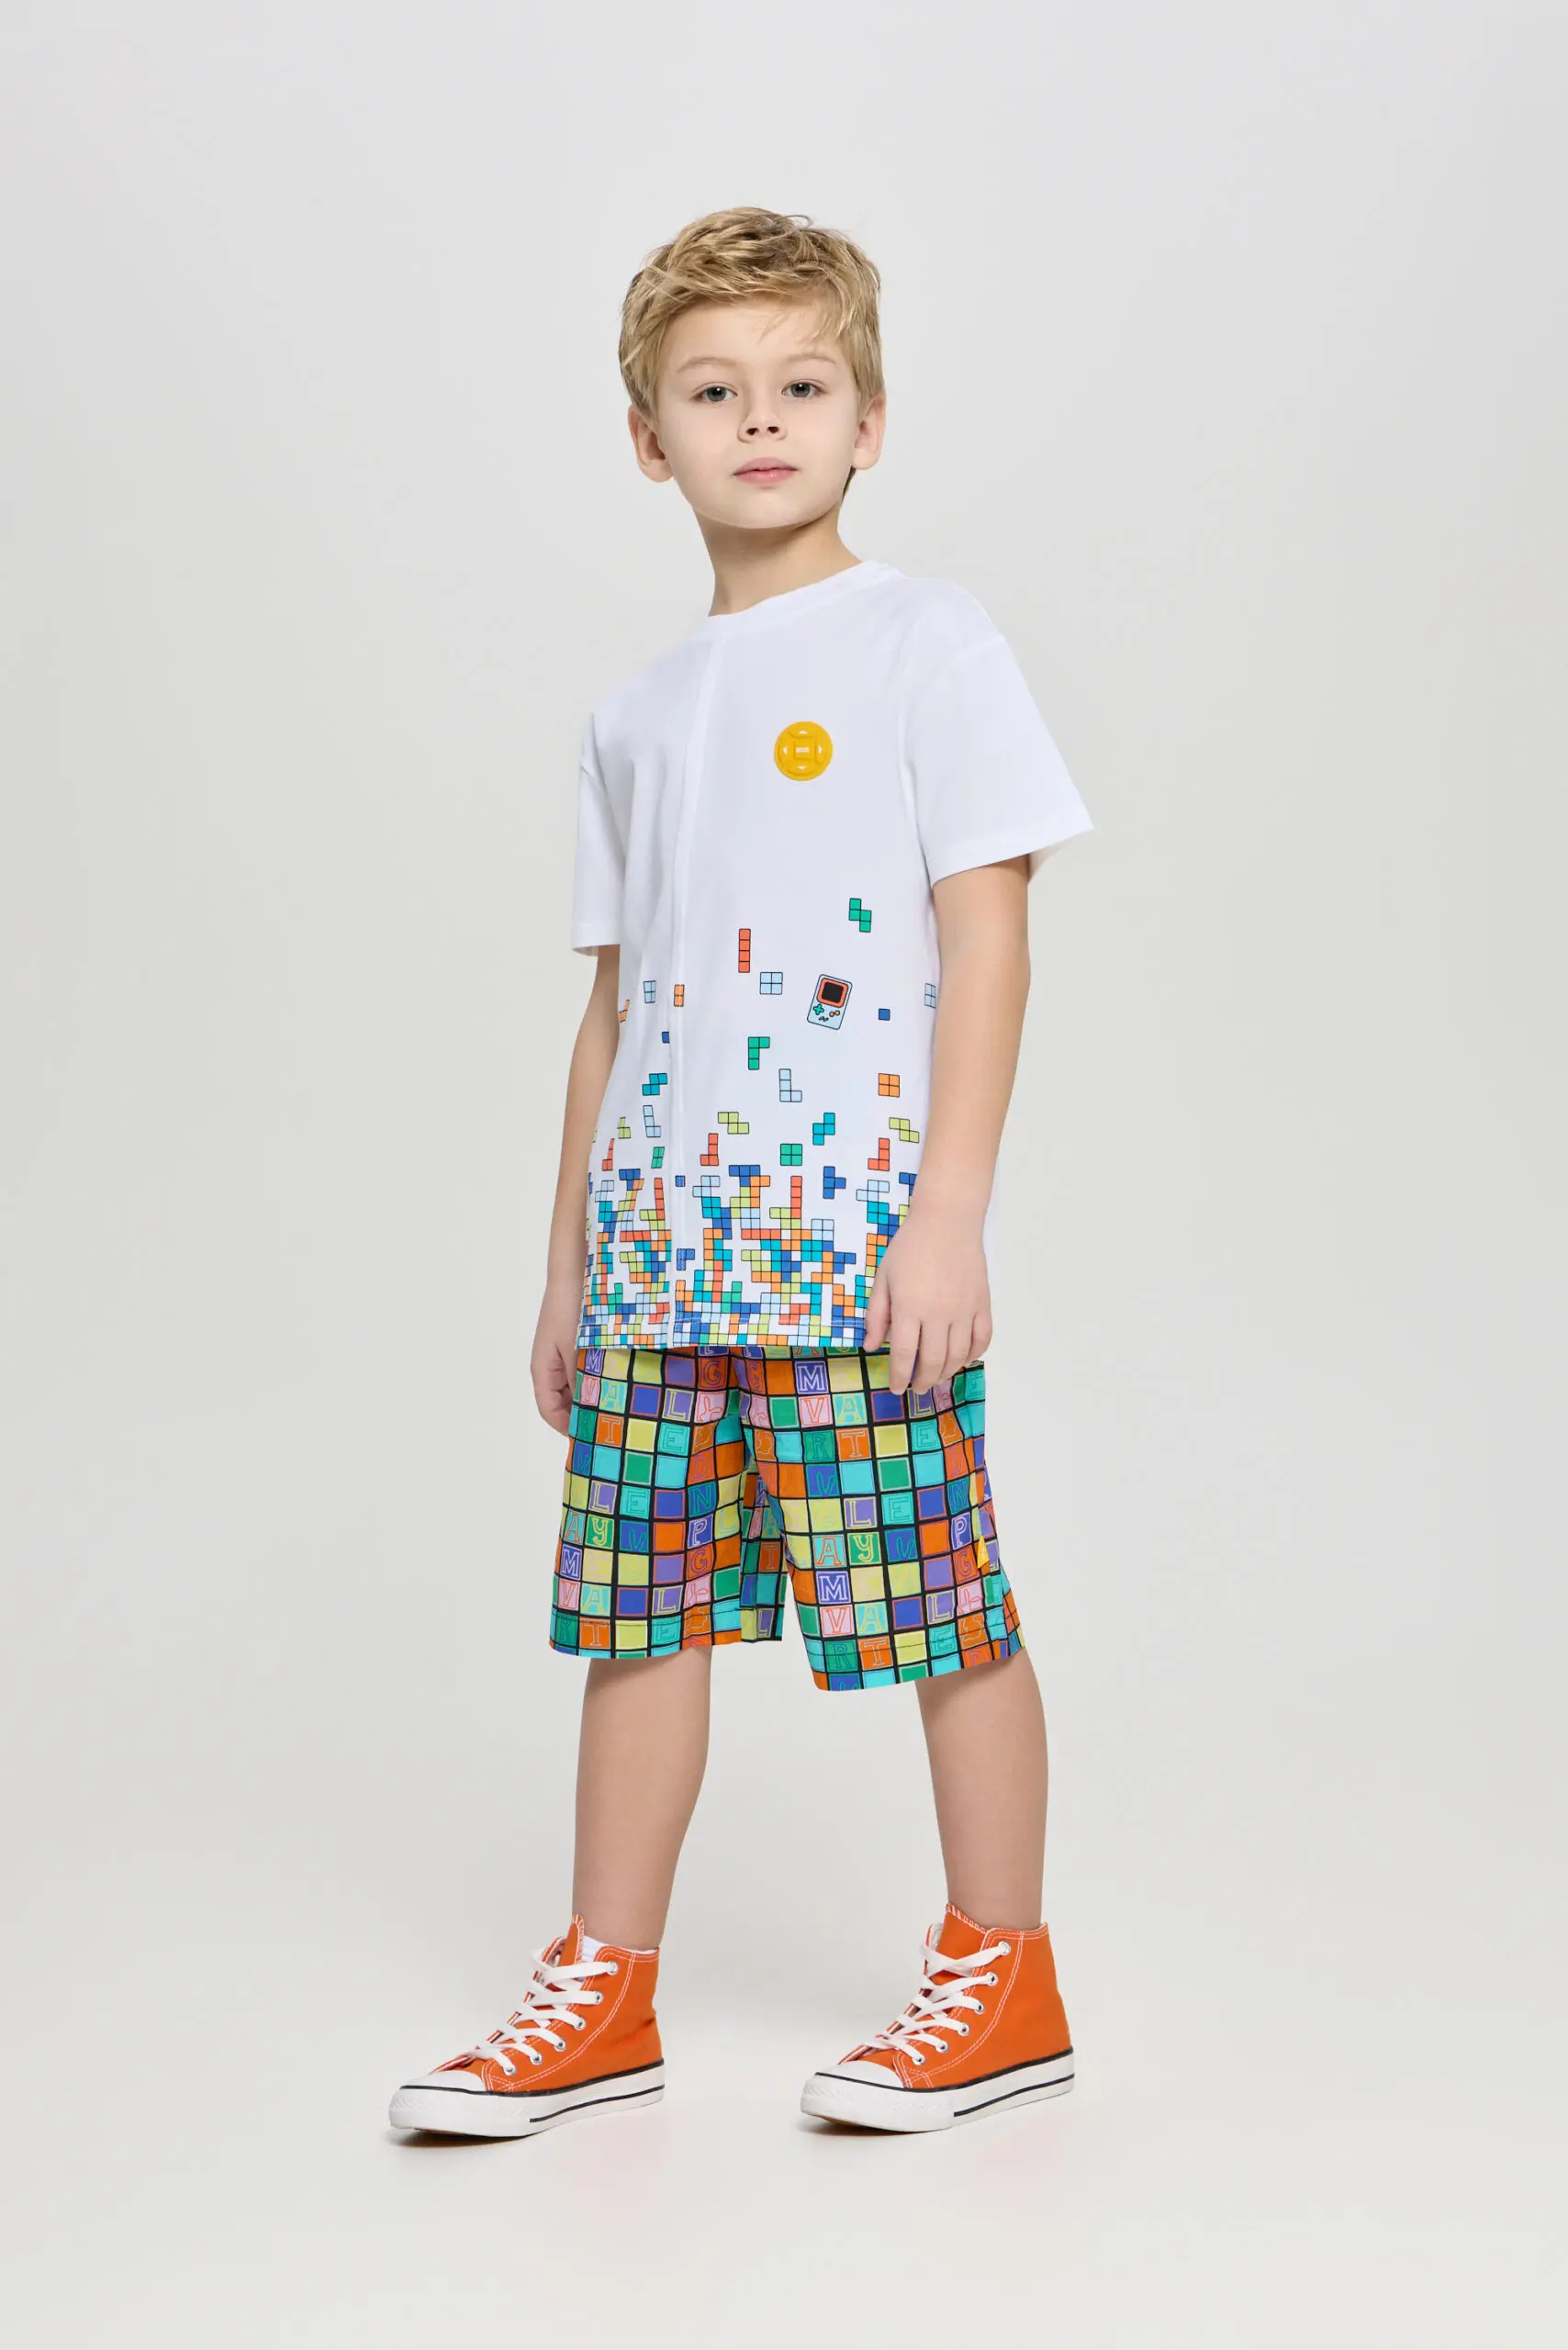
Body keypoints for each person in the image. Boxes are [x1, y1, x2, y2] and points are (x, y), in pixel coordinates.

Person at [390, 207, 1092, 2139]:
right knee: (639, 1616)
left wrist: (948, 1213)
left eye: (800, 385)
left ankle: (1004, 1972)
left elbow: (991, 933)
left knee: (937, 1600)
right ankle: (601, 1988)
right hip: (658, 1257)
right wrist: (567, 1269)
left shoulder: (927, 640)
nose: (759, 420)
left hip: (852, 1246)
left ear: (869, 421)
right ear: (649, 437)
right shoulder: (633, 716)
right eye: (713, 392)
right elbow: (611, 1014)